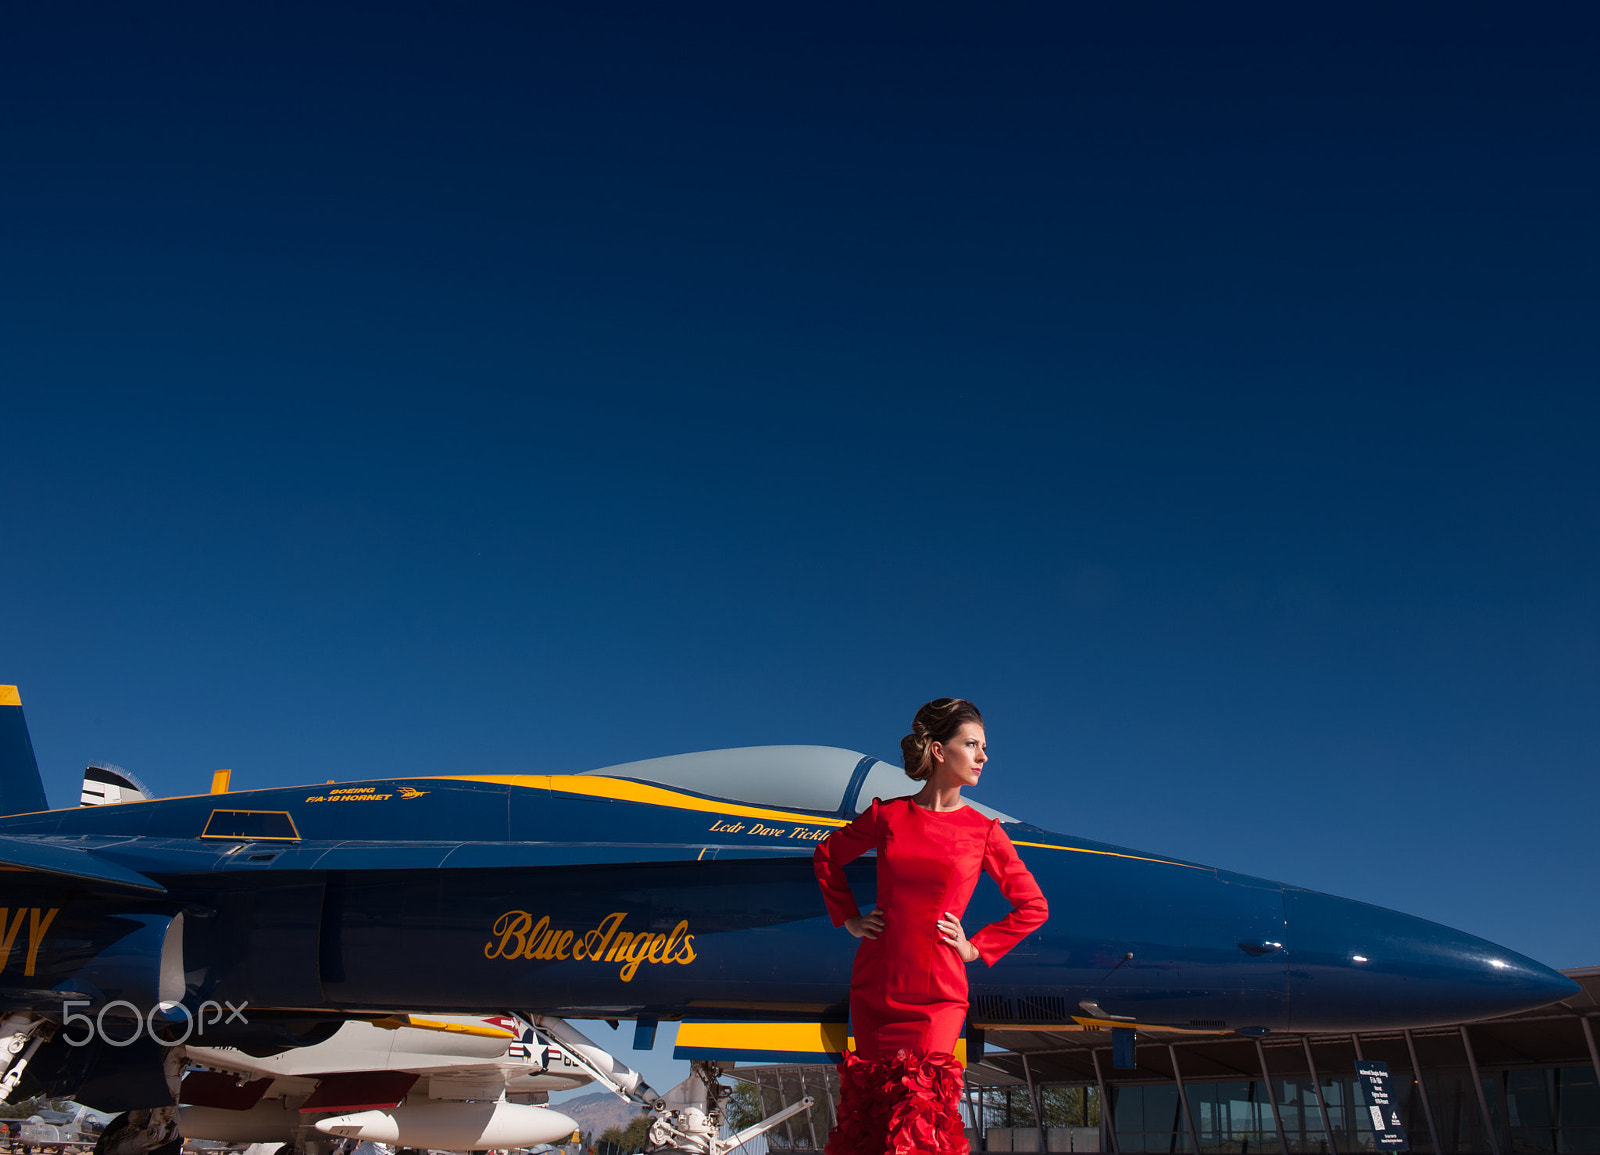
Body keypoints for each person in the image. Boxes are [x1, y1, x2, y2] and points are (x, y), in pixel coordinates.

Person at [813, 698, 1049, 1155]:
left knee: (921, 1114)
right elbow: (827, 856)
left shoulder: (984, 832)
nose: (983, 757)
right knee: (869, 1113)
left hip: (936, 996)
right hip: (875, 987)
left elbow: (1032, 906)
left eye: (984, 747)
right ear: (939, 751)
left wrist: (976, 948)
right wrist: (850, 918)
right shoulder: (887, 816)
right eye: (972, 745)